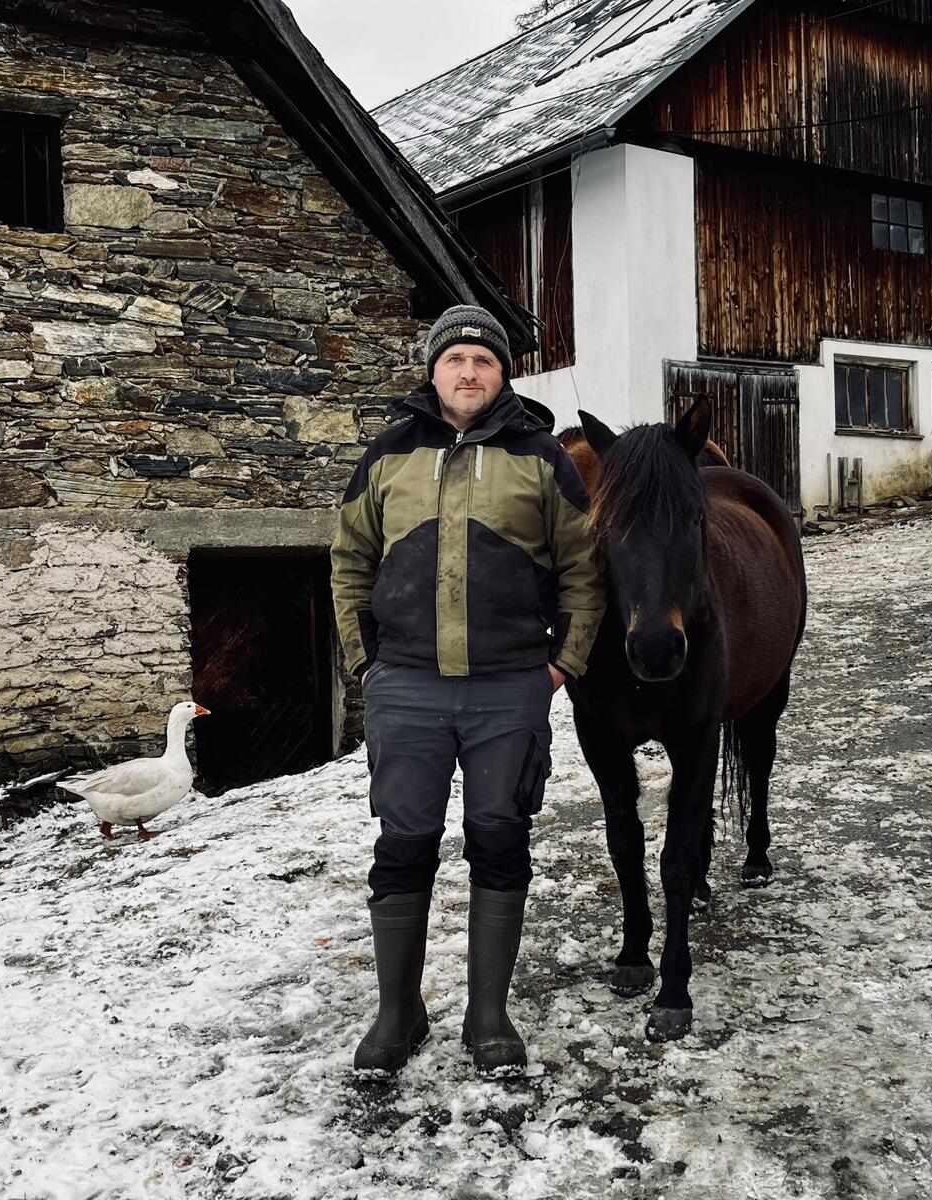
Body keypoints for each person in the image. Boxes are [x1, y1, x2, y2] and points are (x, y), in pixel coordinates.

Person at [330, 304, 605, 1079]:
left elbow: (584, 572)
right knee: (404, 843)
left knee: (498, 836)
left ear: (503, 374)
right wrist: (366, 665)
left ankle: (489, 1014)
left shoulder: (543, 456)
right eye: (456, 360)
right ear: (433, 370)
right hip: (407, 689)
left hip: (509, 690)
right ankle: (399, 1012)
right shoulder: (386, 454)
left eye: (484, 361)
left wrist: (563, 666)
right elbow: (350, 560)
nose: (470, 373)